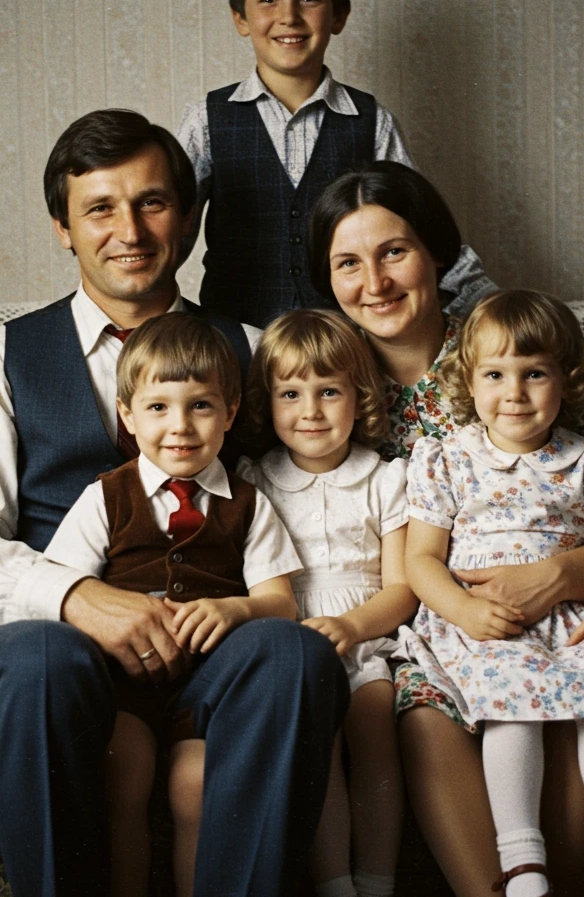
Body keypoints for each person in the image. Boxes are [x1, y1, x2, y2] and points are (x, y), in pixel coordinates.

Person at [0, 109, 349, 897]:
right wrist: (74, 597)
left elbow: (332, 481)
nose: (130, 230)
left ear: (186, 215)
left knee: (294, 656)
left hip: (212, 645)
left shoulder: (252, 350)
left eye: (151, 202)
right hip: (49, 651)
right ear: (63, 229)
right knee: (41, 658)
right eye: (100, 208)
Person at [306, 160, 584, 897]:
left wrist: (561, 577)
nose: (375, 282)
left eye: (394, 252)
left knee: (573, 714)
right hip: (421, 626)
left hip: (556, 619)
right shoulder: (327, 377)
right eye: (348, 263)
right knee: (424, 717)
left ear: (436, 252)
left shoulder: (509, 352)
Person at [399, 290, 584, 897]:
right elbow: (421, 559)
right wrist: (463, 610)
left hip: (577, 619)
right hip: (484, 622)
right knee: (511, 704)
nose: (515, 392)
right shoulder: (445, 460)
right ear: (469, 382)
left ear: (568, 379)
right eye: (495, 375)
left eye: (534, 373)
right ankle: (523, 862)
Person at [41, 312, 304, 897]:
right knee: (122, 775)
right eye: (158, 407)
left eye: (201, 406)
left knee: (198, 789)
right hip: (125, 686)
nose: (180, 427)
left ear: (231, 412)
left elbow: (280, 604)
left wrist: (236, 610)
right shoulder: (105, 497)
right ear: (128, 416)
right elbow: (60, 586)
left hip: (204, 694)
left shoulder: (247, 504)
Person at [176, 0, 489, 329]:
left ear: (338, 16)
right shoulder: (206, 120)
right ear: (241, 18)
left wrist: (491, 308)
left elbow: (425, 234)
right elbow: (166, 235)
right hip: (236, 348)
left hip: (344, 354)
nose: (289, 16)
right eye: (268, 0)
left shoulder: (372, 122)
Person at [239, 308, 419, 897]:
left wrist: (349, 625)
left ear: (360, 396)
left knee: (373, 736)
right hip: (290, 638)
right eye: (291, 393)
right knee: (315, 747)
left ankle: (378, 879)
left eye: (329, 391)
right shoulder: (254, 480)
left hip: (366, 633)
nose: (310, 411)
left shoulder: (385, 478)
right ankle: (337, 883)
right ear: (267, 402)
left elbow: (402, 588)